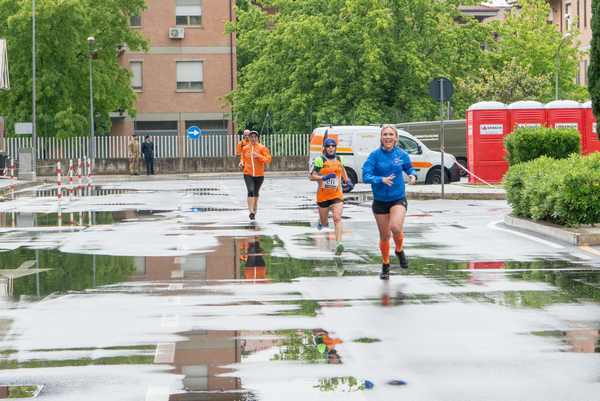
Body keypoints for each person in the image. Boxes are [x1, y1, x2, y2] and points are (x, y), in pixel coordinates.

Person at [362, 125, 417, 280]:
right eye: (385, 134)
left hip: (397, 198)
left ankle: (399, 250)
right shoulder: (374, 156)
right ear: (381, 137)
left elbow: (409, 168)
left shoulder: (401, 154)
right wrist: (381, 180)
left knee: (395, 227)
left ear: (396, 138)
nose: (387, 137)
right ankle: (385, 264)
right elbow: (366, 175)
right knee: (385, 236)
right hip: (380, 200)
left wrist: (412, 176)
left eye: (390, 134)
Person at [309, 137, 352, 255]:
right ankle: (322, 221)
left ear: (335, 147)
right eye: (328, 146)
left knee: (337, 218)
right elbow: (311, 176)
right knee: (324, 223)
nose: (331, 148)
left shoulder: (339, 158)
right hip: (323, 196)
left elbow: (342, 169)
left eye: (333, 146)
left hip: (337, 195)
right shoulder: (320, 160)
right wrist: (323, 177)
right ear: (325, 148)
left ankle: (339, 243)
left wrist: (347, 180)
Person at [240, 130, 272, 220]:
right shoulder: (245, 148)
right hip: (248, 173)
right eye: (251, 137)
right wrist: (241, 163)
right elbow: (243, 158)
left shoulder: (262, 148)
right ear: (249, 138)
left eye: (255, 137)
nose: (253, 138)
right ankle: (251, 211)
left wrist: (258, 156)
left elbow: (268, 160)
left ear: (258, 138)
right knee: (250, 190)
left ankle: (254, 210)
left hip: (259, 175)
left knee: (256, 193)